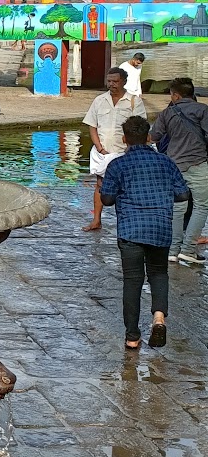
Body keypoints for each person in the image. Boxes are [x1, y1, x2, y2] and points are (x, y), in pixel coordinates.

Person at [101, 115, 188, 349]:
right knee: (158, 273)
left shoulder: (117, 165)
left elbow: (107, 200)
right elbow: (183, 194)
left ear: (124, 139)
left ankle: (132, 337)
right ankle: (159, 317)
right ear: (149, 137)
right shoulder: (166, 162)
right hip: (160, 228)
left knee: (132, 281)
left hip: (130, 231)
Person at [149, 77, 208, 266]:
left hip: (173, 166)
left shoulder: (167, 113)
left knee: (177, 208)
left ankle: (173, 251)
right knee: (201, 206)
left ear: (175, 95)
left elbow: (154, 137)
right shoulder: (203, 110)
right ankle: (188, 249)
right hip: (198, 163)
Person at [83, 67, 146, 231]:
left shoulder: (133, 101)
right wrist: (99, 147)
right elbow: (92, 126)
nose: (111, 84)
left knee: (125, 188)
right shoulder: (99, 100)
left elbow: (140, 127)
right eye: (109, 81)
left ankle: (126, 222)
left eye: (115, 81)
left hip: (124, 152)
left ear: (124, 82)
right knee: (100, 185)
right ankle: (96, 220)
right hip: (102, 151)